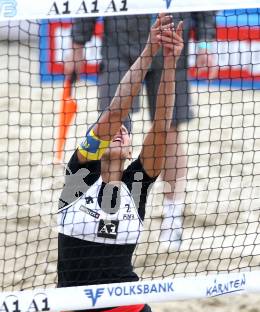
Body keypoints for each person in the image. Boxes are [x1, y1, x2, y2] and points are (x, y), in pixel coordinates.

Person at [58, 14, 195, 312]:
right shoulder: (79, 178)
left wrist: (170, 64)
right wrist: (150, 49)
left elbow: (161, 124)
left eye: (125, 132)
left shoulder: (136, 184)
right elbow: (117, 110)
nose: (120, 130)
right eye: (111, 130)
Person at [65, 12, 216, 252]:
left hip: (170, 35)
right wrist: (77, 43)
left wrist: (206, 42)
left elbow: (203, 7)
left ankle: (173, 218)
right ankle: (107, 214)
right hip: (120, 40)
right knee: (112, 127)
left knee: (168, 131)